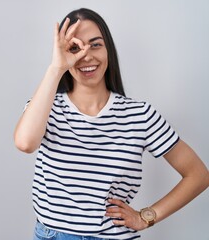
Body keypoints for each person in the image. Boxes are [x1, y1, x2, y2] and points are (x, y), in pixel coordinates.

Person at [14, 8, 209, 240]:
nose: (86, 56)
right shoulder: (45, 107)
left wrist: (147, 216)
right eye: (75, 48)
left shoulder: (140, 115)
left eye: (96, 44)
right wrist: (56, 67)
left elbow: (198, 175)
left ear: (109, 49)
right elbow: (25, 143)